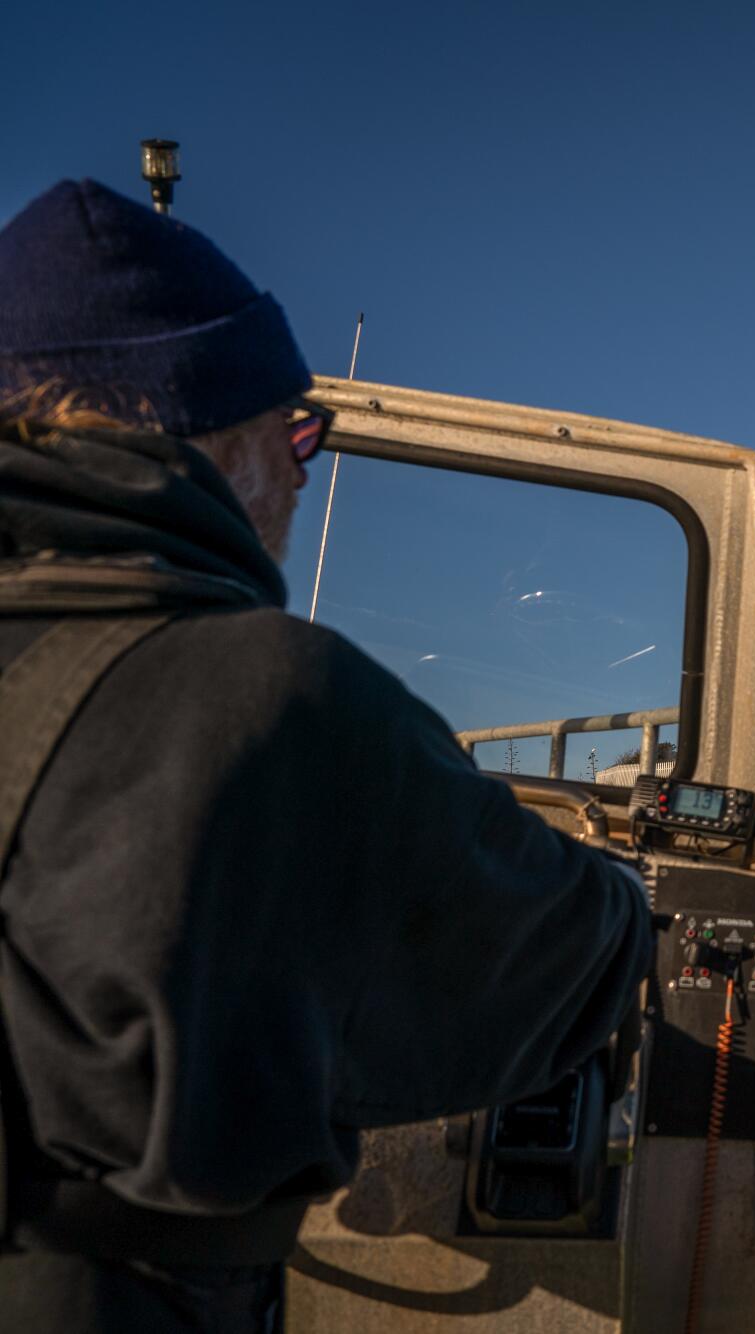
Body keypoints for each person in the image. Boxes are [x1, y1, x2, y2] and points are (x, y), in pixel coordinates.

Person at [0, 180, 655, 1330]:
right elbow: (571, 965)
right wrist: (625, 888)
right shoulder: (270, 697)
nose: (305, 469)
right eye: (295, 428)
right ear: (198, 432)